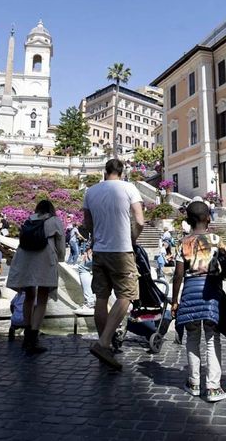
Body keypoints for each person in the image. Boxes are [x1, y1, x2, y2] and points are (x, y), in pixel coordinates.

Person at [83, 158, 145, 370]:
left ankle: (106, 345)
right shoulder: (129, 188)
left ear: (105, 171)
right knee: (126, 295)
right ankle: (103, 343)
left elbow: (87, 224)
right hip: (121, 250)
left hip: (100, 250)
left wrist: (96, 237)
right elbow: (140, 220)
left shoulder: (90, 192)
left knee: (101, 298)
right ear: (122, 172)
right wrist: (133, 238)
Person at [171, 201, 226, 403]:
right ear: (208, 218)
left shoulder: (184, 242)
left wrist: (174, 301)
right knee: (212, 338)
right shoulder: (216, 240)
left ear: (188, 220)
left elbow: (178, 274)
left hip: (190, 292)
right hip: (211, 292)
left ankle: (194, 383)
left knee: (192, 337)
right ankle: (213, 387)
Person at [7, 199, 66, 355]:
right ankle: (33, 335)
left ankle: (27, 333)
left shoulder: (29, 220)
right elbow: (61, 245)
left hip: (26, 260)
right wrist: (60, 258)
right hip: (45, 260)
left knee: (28, 296)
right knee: (42, 299)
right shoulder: (54, 221)